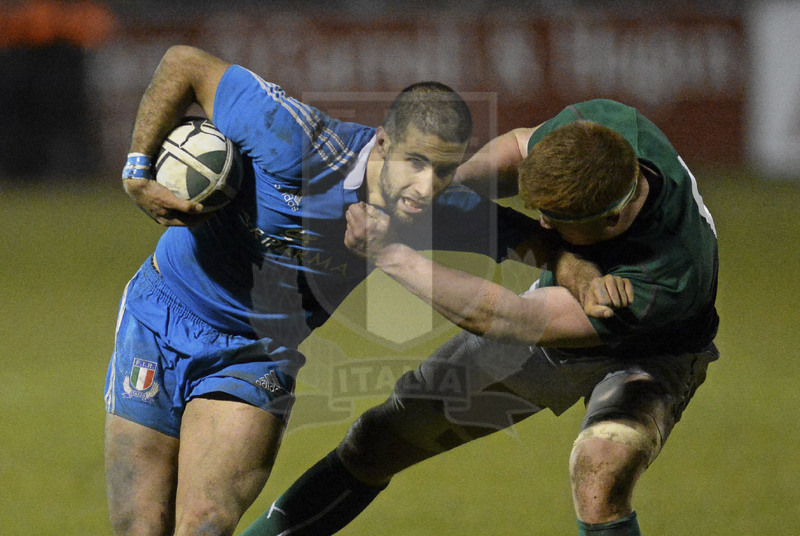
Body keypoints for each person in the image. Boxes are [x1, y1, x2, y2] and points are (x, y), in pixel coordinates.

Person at [104, 45, 605, 536]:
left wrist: (596, 278)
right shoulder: (292, 138)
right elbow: (184, 63)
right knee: (142, 526)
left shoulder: (438, 210)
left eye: (445, 170)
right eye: (416, 162)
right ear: (384, 143)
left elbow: (545, 248)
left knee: (207, 524)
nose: (426, 187)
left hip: (255, 356)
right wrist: (136, 170)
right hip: (160, 316)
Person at [241, 99, 720, 536]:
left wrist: (389, 252)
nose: (544, 227)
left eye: (556, 220)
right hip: (558, 311)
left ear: (613, 220)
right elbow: (517, 146)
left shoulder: (668, 278)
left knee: (600, 468)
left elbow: (513, 318)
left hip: (654, 354)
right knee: (377, 441)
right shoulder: (606, 129)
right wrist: (444, 189)